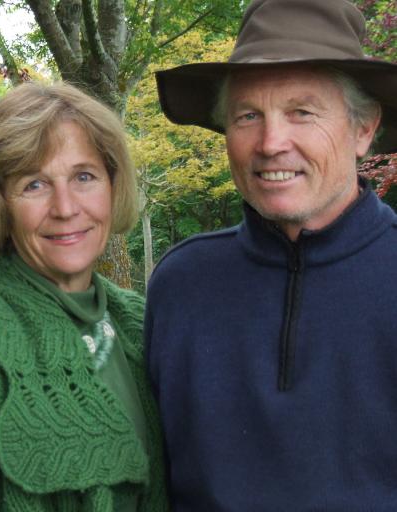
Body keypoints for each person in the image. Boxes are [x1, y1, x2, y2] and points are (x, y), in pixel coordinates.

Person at [146, 0, 397, 509]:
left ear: (364, 128)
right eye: (248, 115)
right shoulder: (180, 283)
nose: (271, 142)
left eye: (302, 112)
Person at [0, 82, 169, 511]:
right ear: (0, 204)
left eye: (84, 176)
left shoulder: (140, 322)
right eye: (34, 185)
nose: (65, 207)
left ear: (112, 184)